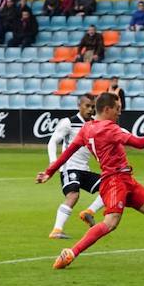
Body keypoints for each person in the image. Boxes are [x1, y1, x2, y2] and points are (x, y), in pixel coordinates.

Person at [36, 92, 144, 270]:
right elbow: (139, 143)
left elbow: (67, 152)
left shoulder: (86, 128)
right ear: (106, 109)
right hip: (114, 181)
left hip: (126, 179)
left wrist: (50, 172)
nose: (120, 113)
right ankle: (70, 253)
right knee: (110, 223)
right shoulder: (109, 129)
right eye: (117, 109)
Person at [46, 94, 105, 239]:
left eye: (93, 107)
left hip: (84, 169)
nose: (90, 109)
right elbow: (52, 141)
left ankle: (88, 212)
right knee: (73, 195)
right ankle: (57, 230)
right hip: (69, 167)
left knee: (110, 186)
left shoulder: (95, 124)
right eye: (87, 106)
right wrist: (53, 161)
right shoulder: (68, 123)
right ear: (79, 106)